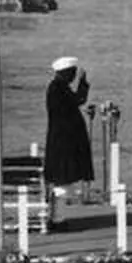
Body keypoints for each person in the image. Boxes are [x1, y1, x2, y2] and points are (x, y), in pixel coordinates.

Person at [43, 56, 94, 191]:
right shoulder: (58, 88)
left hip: (65, 136)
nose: (73, 77)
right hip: (63, 138)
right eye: (72, 73)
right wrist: (82, 83)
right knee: (63, 171)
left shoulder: (59, 86)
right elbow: (78, 100)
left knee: (67, 171)